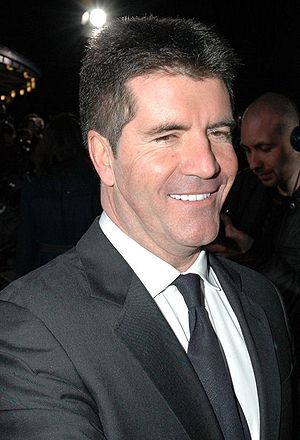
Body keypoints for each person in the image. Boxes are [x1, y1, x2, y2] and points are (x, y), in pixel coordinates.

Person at [0, 17, 295, 440]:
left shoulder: (263, 299)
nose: (208, 164)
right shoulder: (28, 331)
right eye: (167, 136)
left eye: (218, 132)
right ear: (103, 157)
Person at [208, 93, 300, 384]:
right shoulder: (248, 185)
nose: (254, 162)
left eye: (264, 149)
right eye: (247, 150)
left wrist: (253, 255)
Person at [15, 112, 101, 277]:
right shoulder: (95, 183)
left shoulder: (36, 186)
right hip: (87, 267)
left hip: (46, 268)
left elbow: (25, 242)